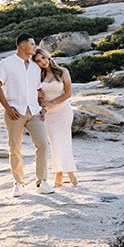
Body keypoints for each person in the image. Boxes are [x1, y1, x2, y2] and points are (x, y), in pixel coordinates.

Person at [0, 33, 54, 195]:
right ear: (22, 45)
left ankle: (42, 182)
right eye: (32, 44)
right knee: (15, 148)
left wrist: (43, 106)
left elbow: (38, 89)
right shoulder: (6, 63)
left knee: (43, 143)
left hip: (34, 112)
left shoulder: (35, 67)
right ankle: (18, 183)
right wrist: (7, 107)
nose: (35, 47)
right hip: (15, 112)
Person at [38, 50, 77, 187]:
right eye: (38, 60)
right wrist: (42, 101)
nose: (42, 61)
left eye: (43, 57)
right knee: (54, 143)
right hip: (48, 115)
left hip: (63, 112)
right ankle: (59, 173)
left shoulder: (62, 71)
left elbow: (68, 93)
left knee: (65, 142)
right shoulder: (38, 75)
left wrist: (52, 103)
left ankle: (69, 172)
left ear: (47, 56)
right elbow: (36, 94)